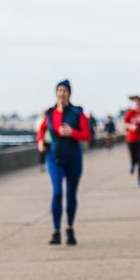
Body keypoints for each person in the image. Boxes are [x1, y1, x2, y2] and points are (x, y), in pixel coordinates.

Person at [36, 79, 90, 245]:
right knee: (57, 193)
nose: (61, 93)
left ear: (69, 93)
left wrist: (72, 132)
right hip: (54, 158)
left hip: (73, 158)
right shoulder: (50, 113)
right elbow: (42, 129)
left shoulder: (77, 113)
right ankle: (56, 231)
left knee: (71, 195)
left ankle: (70, 228)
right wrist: (40, 141)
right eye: (59, 90)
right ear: (56, 93)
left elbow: (87, 135)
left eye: (64, 90)